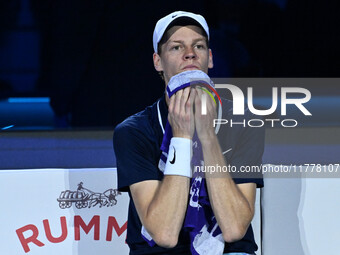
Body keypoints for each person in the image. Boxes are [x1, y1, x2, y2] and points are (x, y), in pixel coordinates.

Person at [113, 11, 264, 255]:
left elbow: (235, 228)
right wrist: (182, 137)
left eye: (199, 46)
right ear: (157, 62)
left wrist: (207, 136)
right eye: (176, 47)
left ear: (210, 58)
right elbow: (164, 234)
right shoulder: (134, 132)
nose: (190, 53)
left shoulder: (244, 124)